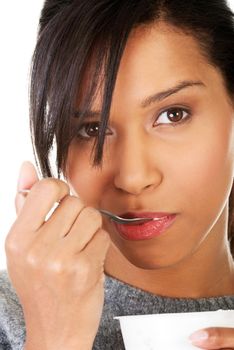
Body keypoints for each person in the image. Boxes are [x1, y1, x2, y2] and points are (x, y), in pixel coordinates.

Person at [0, 0, 234, 349]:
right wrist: (55, 338)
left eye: (173, 115)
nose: (133, 177)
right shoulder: (10, 318)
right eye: (91, 130)